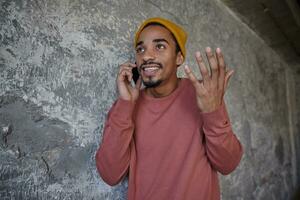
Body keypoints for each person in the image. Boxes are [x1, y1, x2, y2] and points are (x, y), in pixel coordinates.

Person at [95, 17, 243, 200]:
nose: (147, 56)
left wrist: (213, 111)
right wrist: (125, 105)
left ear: (179, 57)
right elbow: (110, 175)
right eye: (140, 49)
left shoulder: (203, 94)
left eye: (160, 46)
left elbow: (228, 164)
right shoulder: (127, 105)